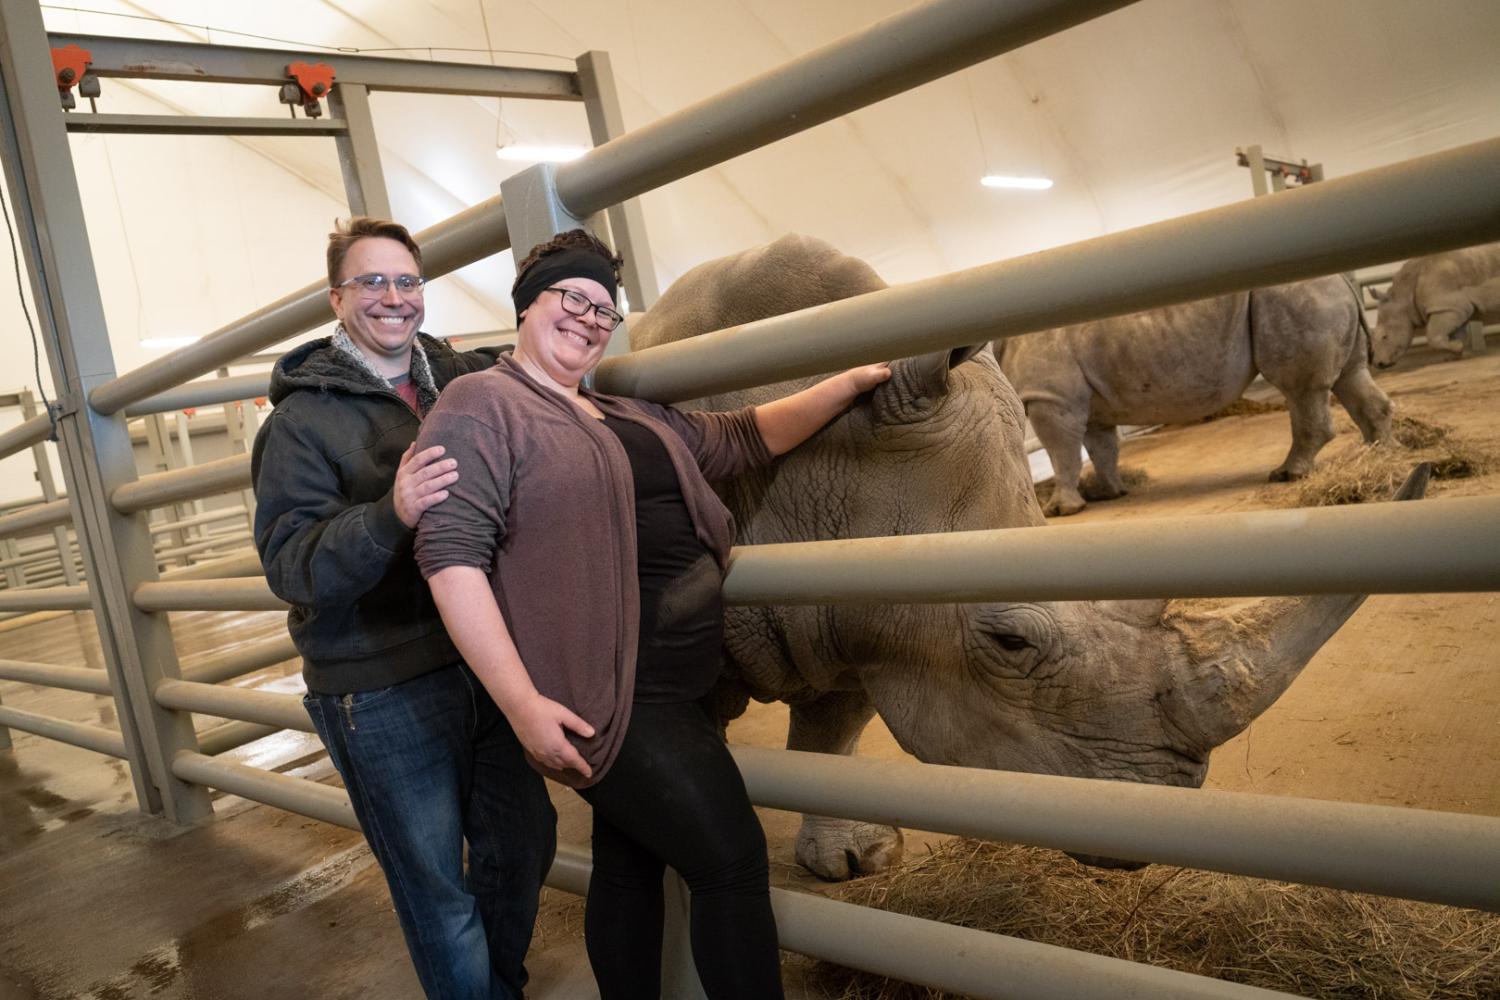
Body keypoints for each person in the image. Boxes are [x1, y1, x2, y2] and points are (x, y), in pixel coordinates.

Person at [413, 228, 890, 999]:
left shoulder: (623, 412)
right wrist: (524, 707)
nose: (590, 318)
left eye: (605, 308)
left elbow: (744, 437)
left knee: (630, 860)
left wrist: (850, 382)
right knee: (730, 862)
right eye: (573, 298)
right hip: (610, 696)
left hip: (684, 682)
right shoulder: (482, 405)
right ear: (527, 307)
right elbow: (452, 559)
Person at [250, 216, 556, 1000]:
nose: (393, 297)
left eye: (407, 281)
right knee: (435, 889)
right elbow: (291, 564)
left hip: (481, 657)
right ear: (337, 297)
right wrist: (391, 512)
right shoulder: (300, 422)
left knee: (522, 844)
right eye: (372, 282)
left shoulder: (462, 379)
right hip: (378, 682)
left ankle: (500, 988)